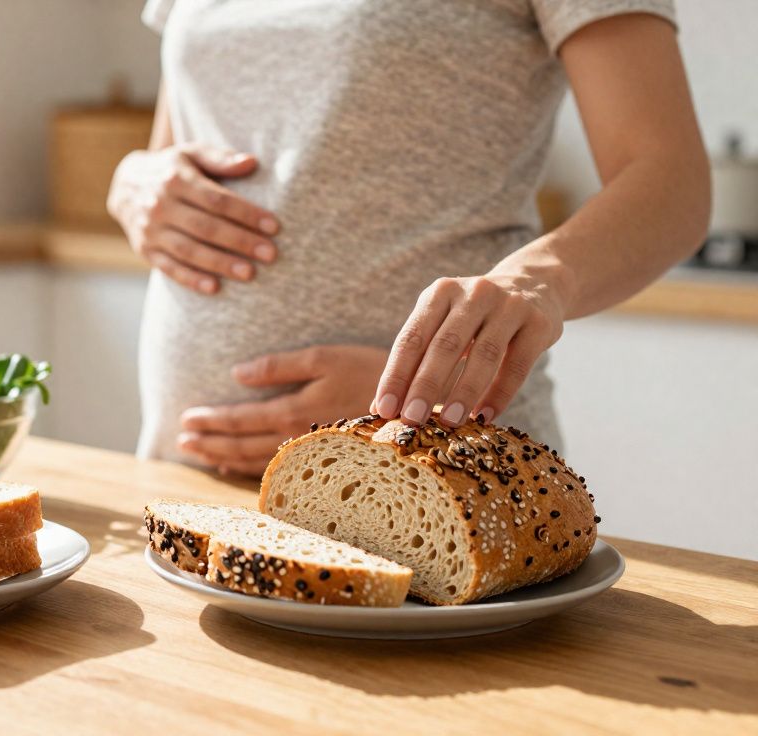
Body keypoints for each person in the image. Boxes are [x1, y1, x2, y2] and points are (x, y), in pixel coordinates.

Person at [108, 0, 709, 476]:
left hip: (435, 462)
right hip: (186, 468)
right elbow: (185, 138)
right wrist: (136, 179)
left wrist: (528, 283)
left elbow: (671, 185)